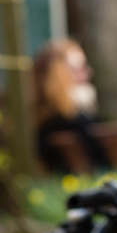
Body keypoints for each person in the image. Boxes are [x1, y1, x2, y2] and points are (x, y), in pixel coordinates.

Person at [33, 40, 109, 173]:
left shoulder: (34, 119)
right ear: (55, 77)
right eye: (77, 69)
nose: (87, 74)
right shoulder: (71, 122)